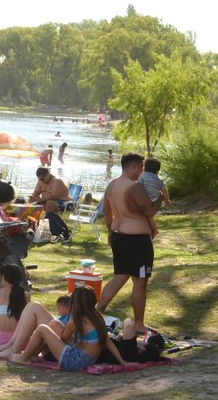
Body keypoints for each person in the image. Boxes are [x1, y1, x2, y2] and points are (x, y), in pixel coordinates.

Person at [97, 153, 162, 334]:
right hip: (137, 241)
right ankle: (139, 323)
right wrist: (160, 198)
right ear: (133, 166)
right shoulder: (134, 187)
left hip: (119, 236)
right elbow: (149, 211)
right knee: (140, 282)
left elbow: (108, 214)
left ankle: (96, 312)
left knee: (120, 276)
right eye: (140, 168)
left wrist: (110, 232)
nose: (141, 171)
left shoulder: (111, 186)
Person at [10, 287, 129, 371]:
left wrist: (46, 341)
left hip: (74, 361)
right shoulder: (97, 317)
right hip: (88, 359)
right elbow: (108, 341)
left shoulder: (75, 320)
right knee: (54, 324)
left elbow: (62, 339)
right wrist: (122, 361)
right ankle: (33, 354)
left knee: (42, 328)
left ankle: (24, 357)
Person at [0, 296, 69, 358]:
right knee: (30, 305)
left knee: (34, 306)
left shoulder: (75, 316)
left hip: (63, 345)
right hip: (60, 338)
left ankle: (15, 349)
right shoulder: (68, 315)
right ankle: (11, 344)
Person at [96, 318, 167, 364]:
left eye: (145, 341)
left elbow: (128, 322)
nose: (141, 339)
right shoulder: (133, 358)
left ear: (142, 348)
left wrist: (125, 334)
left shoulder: (131, 349)